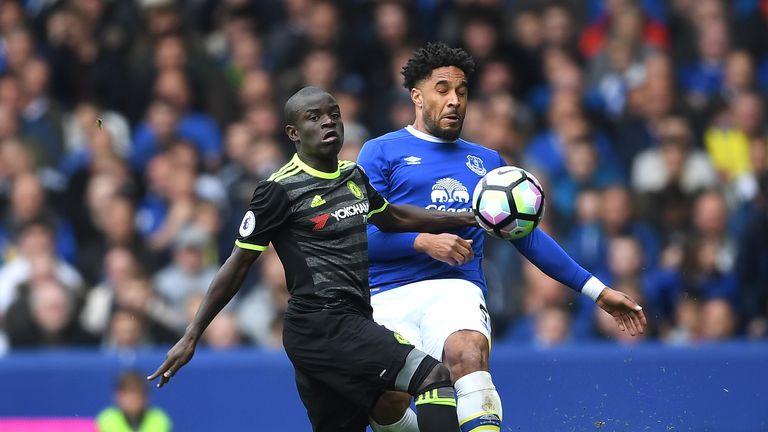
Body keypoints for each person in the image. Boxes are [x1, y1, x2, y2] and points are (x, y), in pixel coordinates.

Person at [148, 86, 479, 432]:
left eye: (334, 115)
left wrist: (464, 218)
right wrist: (193, 334)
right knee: (434, 376)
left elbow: (392, 218)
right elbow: (237, 264)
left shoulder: (353, 176)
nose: (328, 123)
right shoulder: (278, 189)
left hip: (347, 319)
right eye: (314, 117)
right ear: (293, 133)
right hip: (321, 322)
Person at [357, 42, 647, 432]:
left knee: (466, 351)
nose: (454, 100)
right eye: (442, 89)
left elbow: (526, 236)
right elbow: (360, 237)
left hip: (454, 287)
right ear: (417, 95)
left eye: (461, 91)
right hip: (388, 292)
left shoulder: (488, 163)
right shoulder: (380, 152)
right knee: (385, 401)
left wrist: (597, 291)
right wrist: (423, 241)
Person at [97, 371, 171, 432]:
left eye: (137, 393)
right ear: (118, 396)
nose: (133, 399)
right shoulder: (106, 419)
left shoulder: (159, 419)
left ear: (146, 397)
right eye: (128, 393)